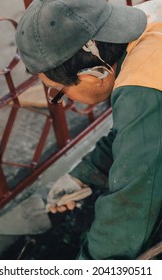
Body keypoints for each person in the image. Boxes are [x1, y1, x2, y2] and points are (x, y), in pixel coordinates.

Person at [15, 0, 162, 260]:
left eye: (57, 91)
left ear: (92, 75)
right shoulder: (149, 20)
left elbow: (132, 210)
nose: (63, 99)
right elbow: (142, 133)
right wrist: (84, 174)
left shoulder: (143, 92)